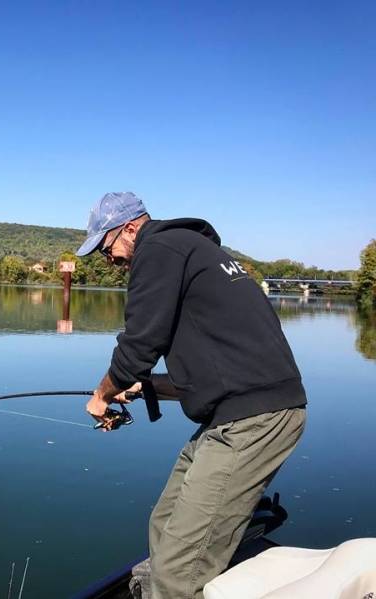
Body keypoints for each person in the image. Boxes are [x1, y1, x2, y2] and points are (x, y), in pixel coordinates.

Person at [75, 192, 307, 599]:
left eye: (107, 249)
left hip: (252, 421)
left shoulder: (159, 249)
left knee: (178, 572)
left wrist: (101, 395)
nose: (109, 261)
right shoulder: (190, 251)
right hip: (237, 413)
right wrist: (144, 386)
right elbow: (209, 370)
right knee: (164, 525)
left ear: (130, 228)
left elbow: (138, 346)